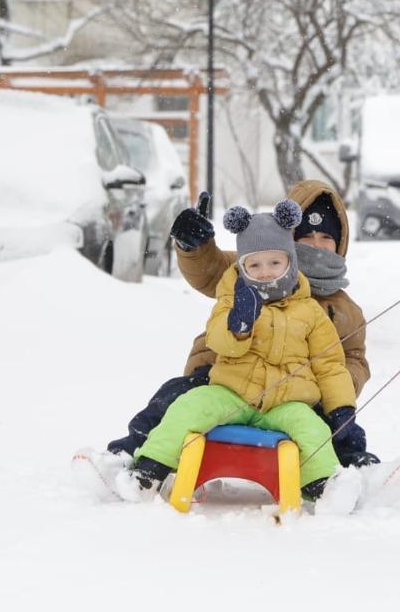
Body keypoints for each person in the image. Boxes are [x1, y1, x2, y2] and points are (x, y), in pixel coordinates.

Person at [103, 180, 375, 467]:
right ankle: (129, 452)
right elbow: (211, 268)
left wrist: (328, 390)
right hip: (225, 371)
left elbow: (352, 359)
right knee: (177, 395)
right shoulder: (252, 266)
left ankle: (355, 467)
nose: (316, 245)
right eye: (306, 236)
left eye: (326, 237)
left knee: (329, 424)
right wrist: (195, 246)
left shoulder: (344, 309)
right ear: (290, 235)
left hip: (295, 390)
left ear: (340, 243)